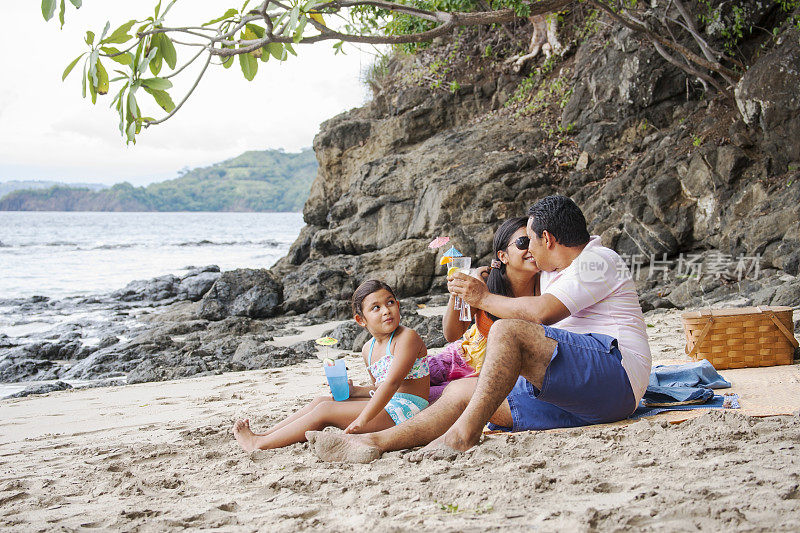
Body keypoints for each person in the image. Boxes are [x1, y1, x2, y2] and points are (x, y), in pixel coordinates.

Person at [307, 195, 651, 463]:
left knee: (508, 331)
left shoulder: (598, 259)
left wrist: (483, 297)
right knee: (460, 393)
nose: (527, 250)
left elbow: (541, 313)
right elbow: (509, 291)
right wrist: (478, 282)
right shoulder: (554, 272)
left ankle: (463, 436)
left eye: (529, 241)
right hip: (583, 396)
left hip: (614, 375)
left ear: (547, 239)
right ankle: (371, 443)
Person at [232, 279, 430, 451]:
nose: (386, 311)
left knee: (325, 410)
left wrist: (362, 419)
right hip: (387, 403)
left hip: (407, 409)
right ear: (361, 320)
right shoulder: (367, 348)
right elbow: (378, 387)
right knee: (321, 400)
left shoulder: (406, 338)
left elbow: (392, 384)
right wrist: (355, 391)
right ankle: (265, 435)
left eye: (390, 303)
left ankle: (258, 445)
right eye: (376, 308)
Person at [428, 217, 540, 401]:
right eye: (523, 242)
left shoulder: (548, 285)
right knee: (401, 380)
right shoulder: (485, 282)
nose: (531, 248)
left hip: (489, 377)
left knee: (423, 398)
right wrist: (457, 293)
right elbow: (452, 334)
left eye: (535, 240)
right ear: (503, 256)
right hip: (460, 358)